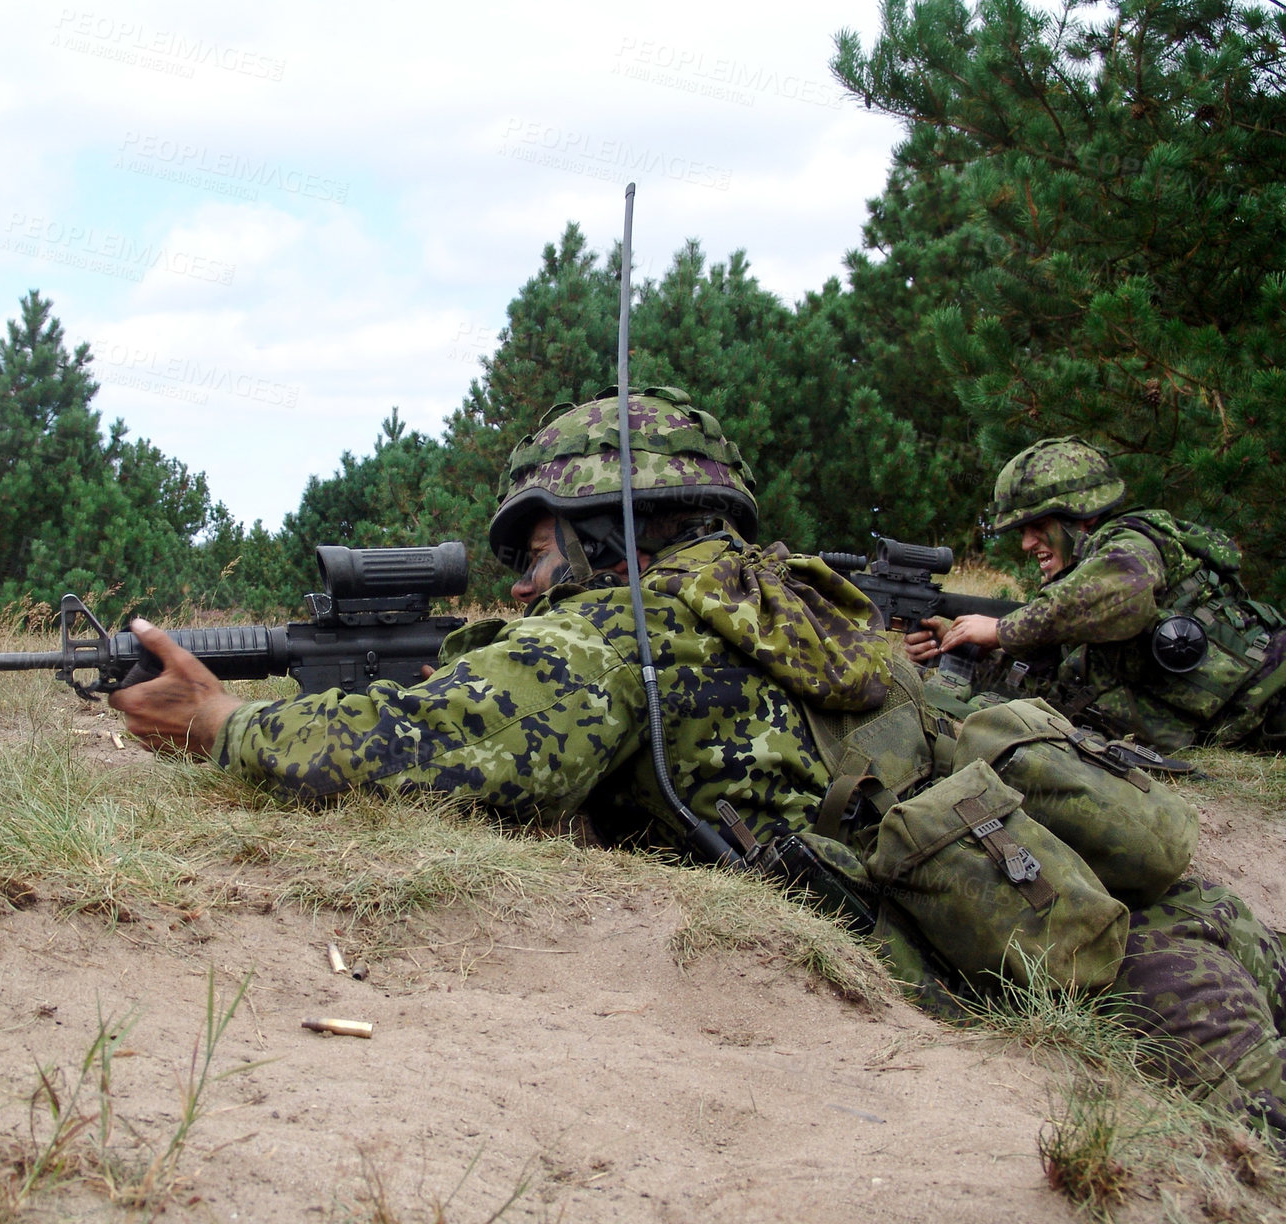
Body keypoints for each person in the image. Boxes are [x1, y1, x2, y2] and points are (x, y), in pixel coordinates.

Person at [112, 389, 1286, 1149]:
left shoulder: (628, 630)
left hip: (1125, 979)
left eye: (532, 546)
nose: (523, 582)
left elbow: (453, 753)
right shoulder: (797, 603)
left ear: (611, 527)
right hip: (1154, 905)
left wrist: (228, 724)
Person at [905, 436, 1286, 753]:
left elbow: (1125, 596)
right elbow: (1066, 690)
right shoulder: (1080, 587)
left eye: (1037, 526)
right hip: (1251, 724)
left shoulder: (1128, 545)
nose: (1025, 543)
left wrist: (1003, 630)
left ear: (1081, 515)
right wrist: (966, 653)